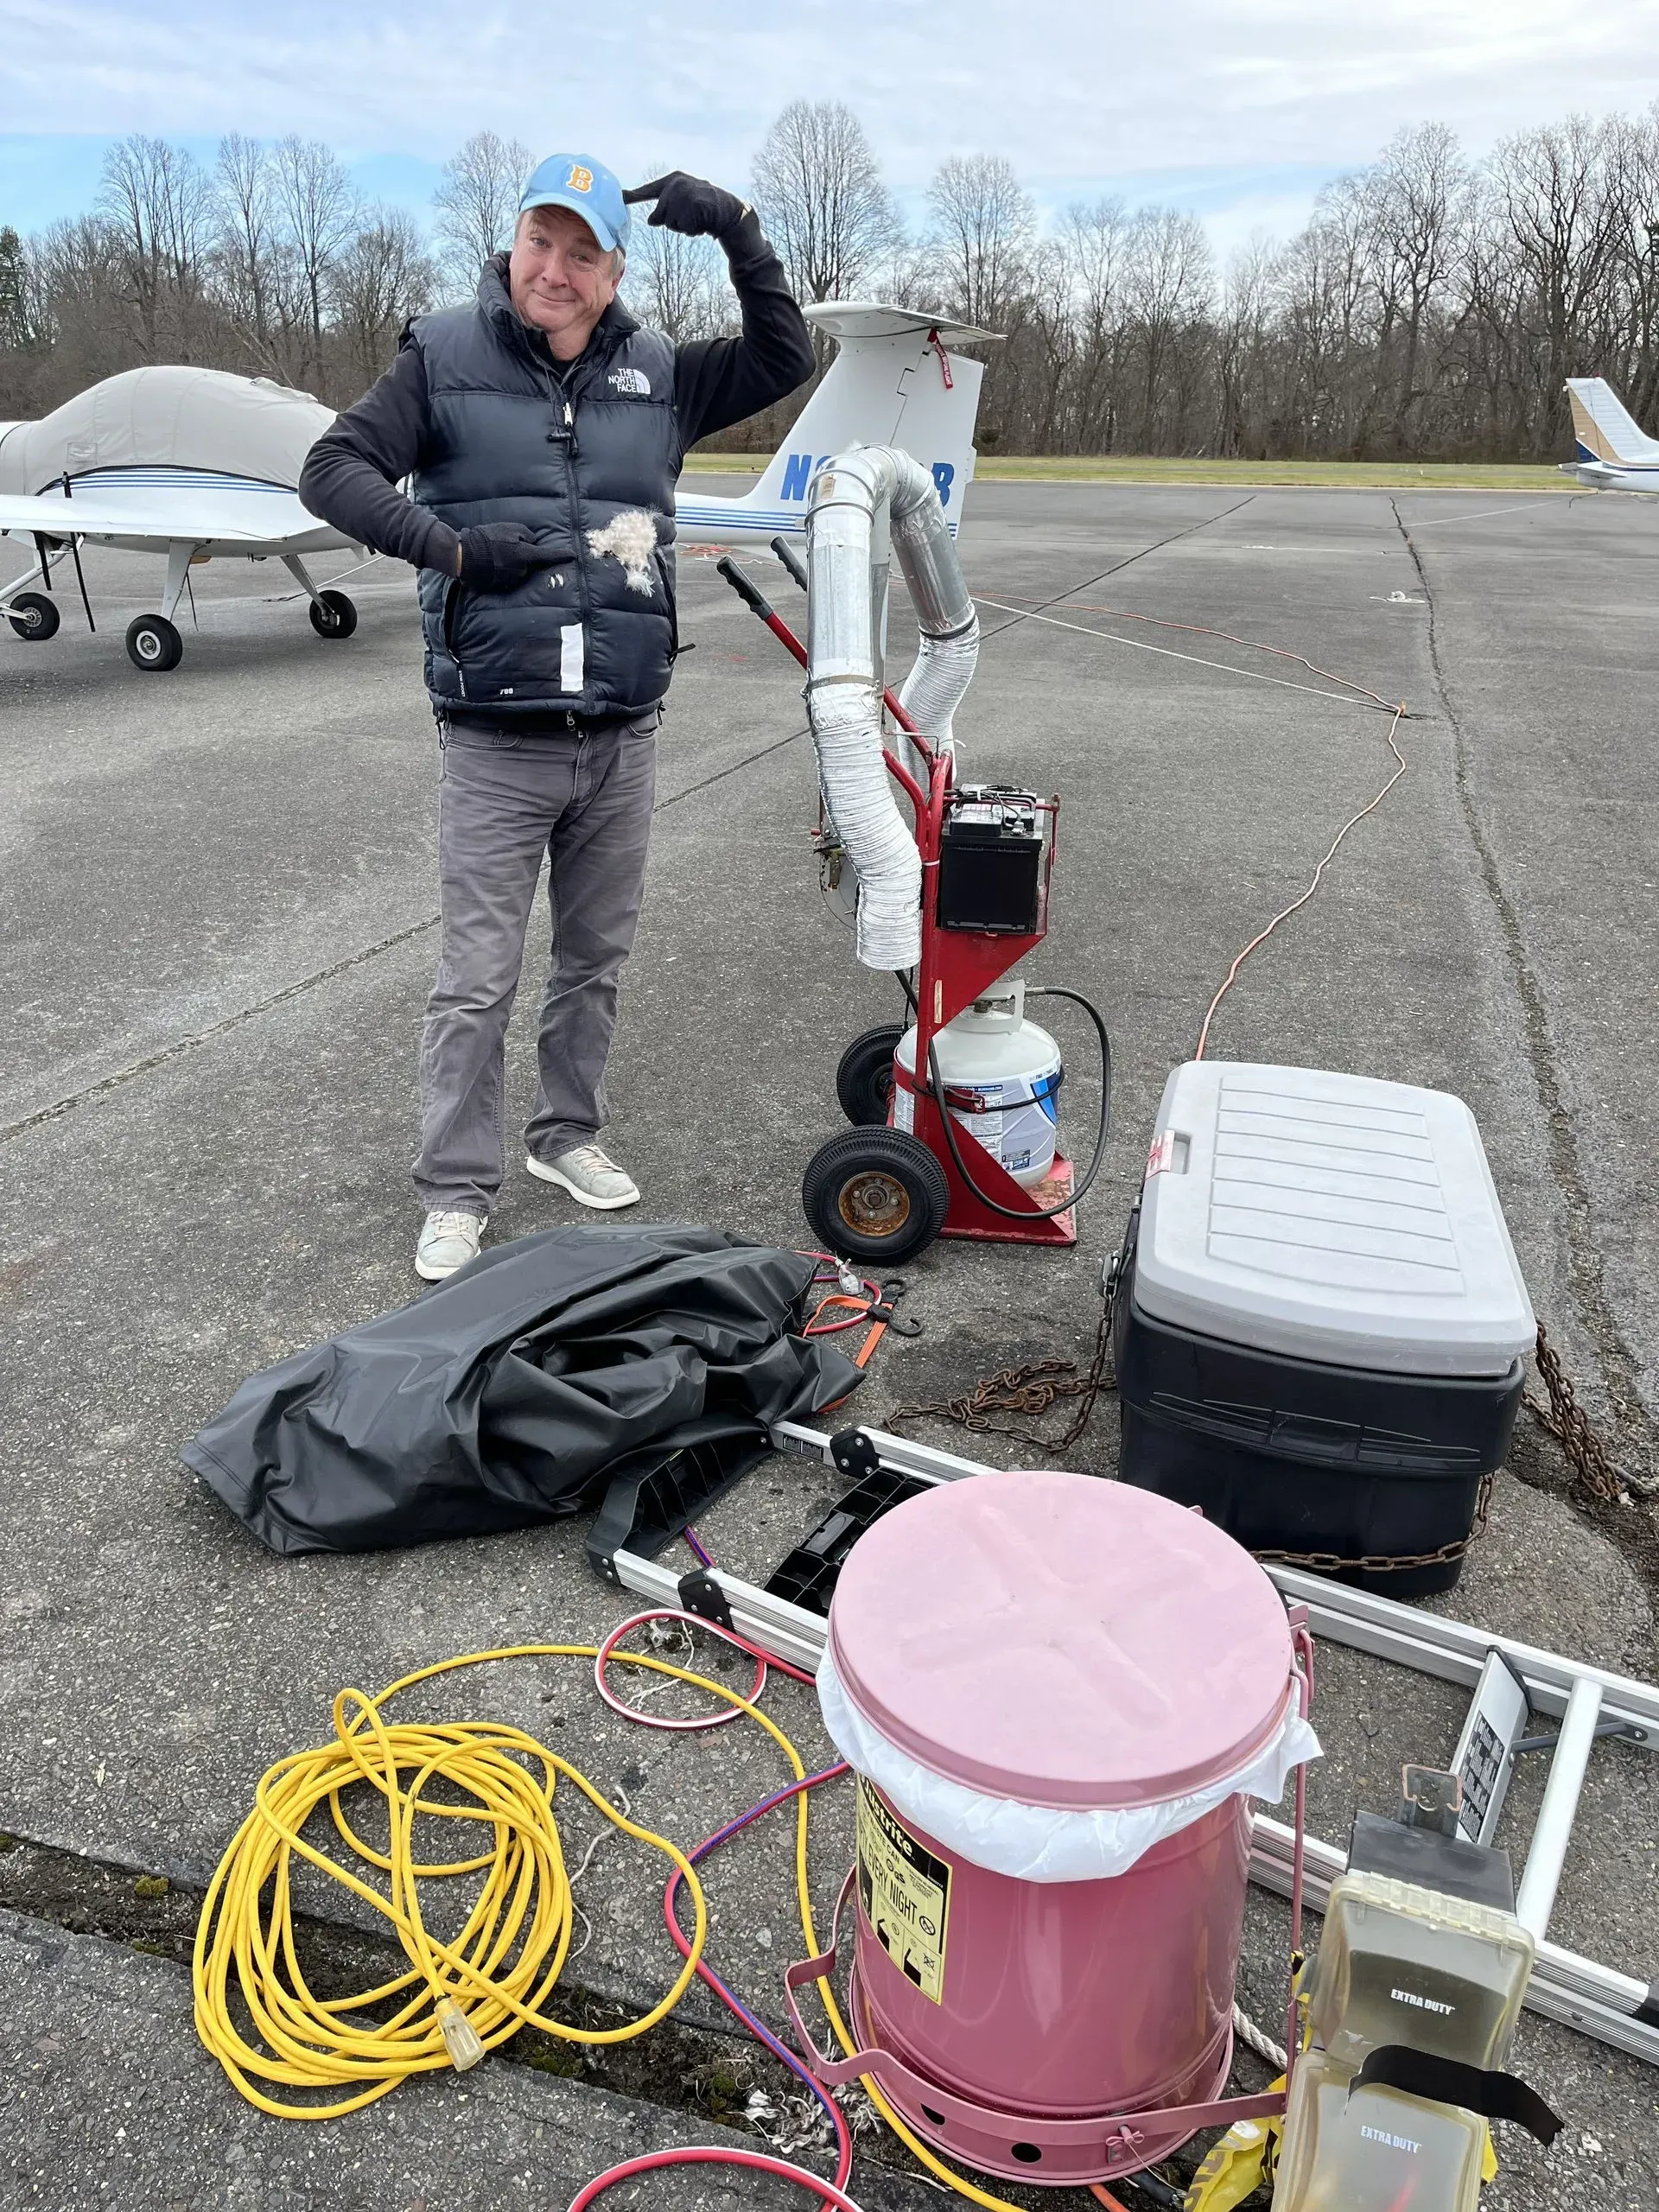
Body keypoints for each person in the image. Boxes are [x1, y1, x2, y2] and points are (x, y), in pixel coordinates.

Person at [299, 155, 814, 1279]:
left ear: (615, 268)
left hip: (621, 731)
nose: (558, 270)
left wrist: (735, 229)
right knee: (477, 975)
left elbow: (788, 356)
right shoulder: (442, 355)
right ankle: (454, 1189)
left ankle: (566, 1136)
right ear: (514, 244)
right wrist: (449, 549)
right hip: (495, 733)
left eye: (583, 251)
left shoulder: (659, 373)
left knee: (594, 959)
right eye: (543, 241)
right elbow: (332, 470)